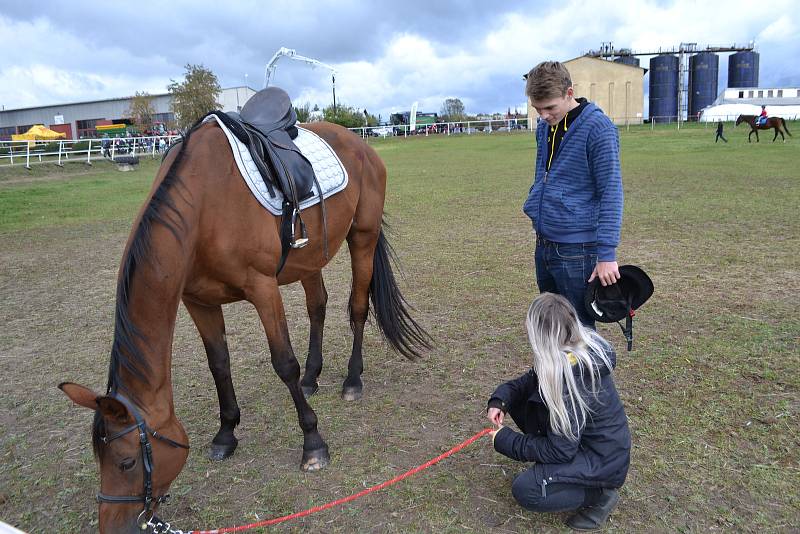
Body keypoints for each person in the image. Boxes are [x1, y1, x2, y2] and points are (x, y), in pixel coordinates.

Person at [487, 293, 630, 530]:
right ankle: (576, 479)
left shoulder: (572, 381)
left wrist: (506, 441)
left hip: (602, 461)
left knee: (527, 490)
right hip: (584, 446)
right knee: (522, 399)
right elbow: (526, 383)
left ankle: (600, 494)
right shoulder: (566, 351)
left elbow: (560, 450)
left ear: (542, 336)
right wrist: (500, 400)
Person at [522, 61, 623, 328]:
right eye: (537, 109)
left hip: (577, 251)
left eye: (549, 108)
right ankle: (552, 371)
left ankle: (588, 372)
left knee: (580, 332)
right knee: (551, 325)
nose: (543, 116)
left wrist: (606, 256)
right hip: (544, 244)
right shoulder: (545, 127)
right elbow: (543, 174)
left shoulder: (597, 128)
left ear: (570, 93)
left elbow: (611, 190)